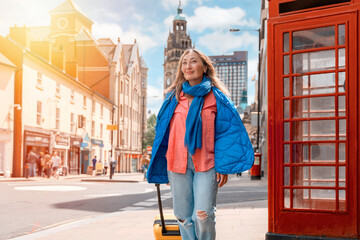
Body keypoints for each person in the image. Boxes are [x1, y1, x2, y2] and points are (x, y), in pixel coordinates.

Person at [146, 49, 254, 240]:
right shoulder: (172, 97)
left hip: (207, 162)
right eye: (184, 63)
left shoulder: (217, 97)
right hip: (177, 163)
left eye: (193, 61)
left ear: (204, 67)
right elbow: (162, 132)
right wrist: (160, 163)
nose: (188, 66)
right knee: (183, 217)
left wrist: (223, 165)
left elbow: (226, 133)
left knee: (203, 215)